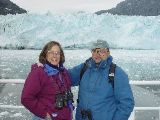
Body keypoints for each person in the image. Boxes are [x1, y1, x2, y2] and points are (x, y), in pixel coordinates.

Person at [69, 39, 135, 120]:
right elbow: (64, 78)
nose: (97, 54)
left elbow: (127, 103)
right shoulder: (84, 68)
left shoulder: (117, 73)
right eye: (94, 50)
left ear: (108, 52)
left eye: (101, 51)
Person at [21, 41, 74, 120]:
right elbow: (26, 98)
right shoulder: (39, 72)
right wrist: (44, 114)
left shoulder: (63, 72)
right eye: (51, 52)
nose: (55, 55)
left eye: (57, 53)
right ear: (45, 54)